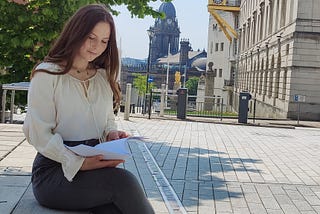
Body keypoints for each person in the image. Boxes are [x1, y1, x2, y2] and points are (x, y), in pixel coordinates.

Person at [23, 4, 154, 214]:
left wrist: (112, 134)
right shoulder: (47, 75)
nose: (96, 47)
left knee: (117, 208)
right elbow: (39, 134)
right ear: (76, 33)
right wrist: (77, 162)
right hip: (55, 170)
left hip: (95, 164)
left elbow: (107, 119)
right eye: (91, 37)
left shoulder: (102, 77)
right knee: (125, 182)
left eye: (104, 41)